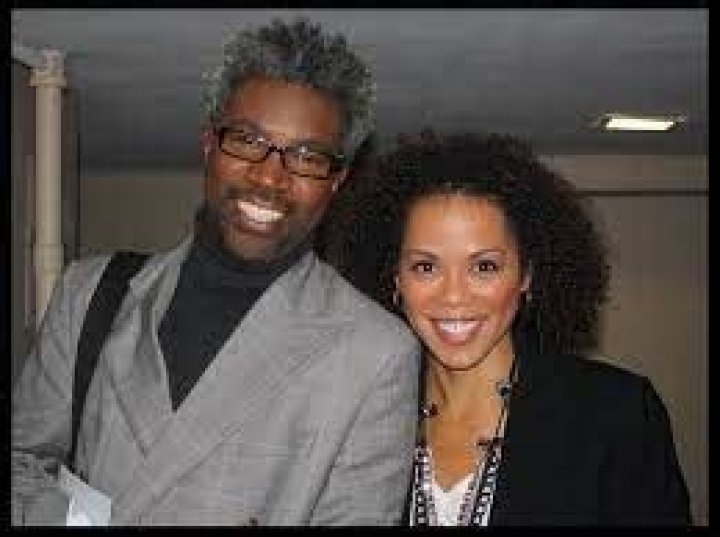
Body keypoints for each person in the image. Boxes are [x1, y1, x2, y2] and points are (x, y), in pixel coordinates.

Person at [11, 18, 421, 526]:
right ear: (209, 143)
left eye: (307, 157)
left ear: (336, 181)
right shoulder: (91, 293)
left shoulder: (376, 352)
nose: (269, 177)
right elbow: (22, 463)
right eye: (247, 140)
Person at [334, 129, 691, 525]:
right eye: (426, 266)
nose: (454, 296)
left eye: (484, 266)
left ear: (526, 276)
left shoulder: (614, 414)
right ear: (395, 279)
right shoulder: (361, 415)